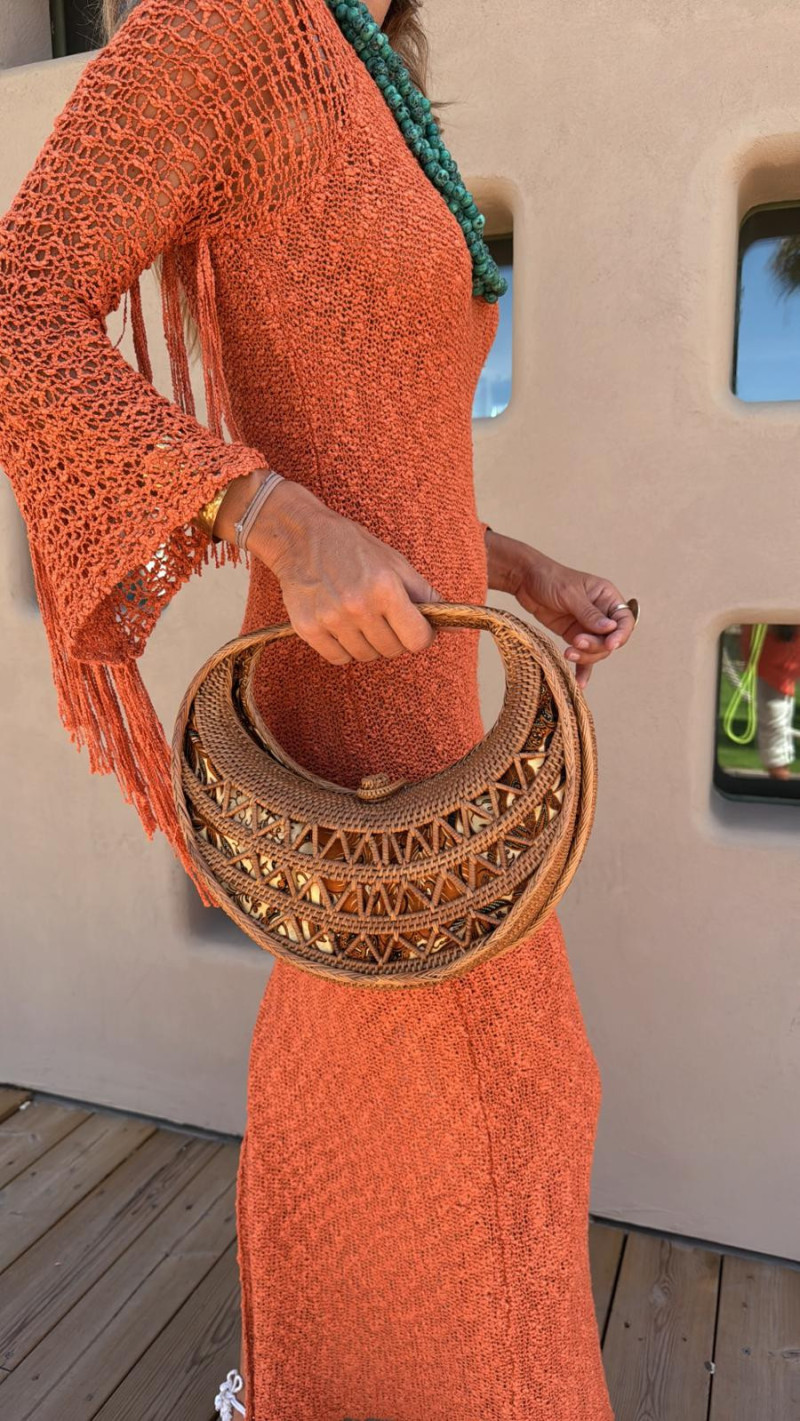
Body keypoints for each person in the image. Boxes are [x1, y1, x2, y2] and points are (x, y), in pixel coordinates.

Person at [0, 0, 637, 1415]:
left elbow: (378, 439)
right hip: (354, 720)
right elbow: (15, 299)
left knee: (476, 1128)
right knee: (477, 1144)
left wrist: (516, 567)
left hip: (436, 698)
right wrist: (271, 518)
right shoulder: (234, 23)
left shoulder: (366, 59)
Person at [740, 624, 800, 779]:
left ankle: (779, 779)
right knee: (773, 720)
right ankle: (779, 778)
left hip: (777, 653)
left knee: (774, 722)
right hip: (772, 654)